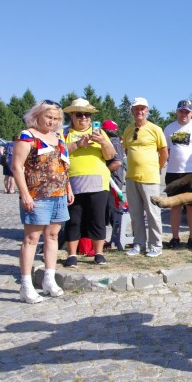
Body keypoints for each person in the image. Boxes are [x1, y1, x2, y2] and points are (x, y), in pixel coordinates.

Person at [13, 100, 74, 303]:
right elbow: (17, 167)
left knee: (53, 236)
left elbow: (63, 165)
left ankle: (49, 278)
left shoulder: (58, 137)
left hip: (59, 195)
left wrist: (68, 188)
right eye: (49, 117)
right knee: (31, 240)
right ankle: (26, 284)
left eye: (56, 118)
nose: (52, 121)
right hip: (36, 196)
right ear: (37, 115)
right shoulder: (27, 136)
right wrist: (25, 194)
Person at [62, 99, 117, 267]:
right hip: (74, 184)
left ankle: (98, 253)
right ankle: (72, 255)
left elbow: (110, 155)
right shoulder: (65, 133)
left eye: (87, 114)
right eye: (79, 114)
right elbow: (60, 152)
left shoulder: (99, 132)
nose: (84, 118)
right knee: (74, 220)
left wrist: (102, 141)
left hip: (98, 184)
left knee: (97, 219)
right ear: (72, 115)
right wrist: (78, 144)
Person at [122, 97, 168, 258]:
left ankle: (156, 245)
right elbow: (127, 151)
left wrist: (156, 168)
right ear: (132, 111)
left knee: (153, 213)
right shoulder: (128, 129)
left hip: (150, 177)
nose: (139, 111)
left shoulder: (155, 129)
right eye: (136, 109)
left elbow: (164, 152)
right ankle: (139, 243)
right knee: (135, 213)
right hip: (131, 177)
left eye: (142, 108)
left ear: (147, 110)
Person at [163, 99, 192, 250]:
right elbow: (165, 150)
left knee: (191, 206)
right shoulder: (169, 128)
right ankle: (175, 237)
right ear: (177, 111)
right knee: (175, 206)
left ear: (191, 113)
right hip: (173, 173)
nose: (184, 114)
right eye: (181, 111)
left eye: (187, 112)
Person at [101, 119, 125, 248]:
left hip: (113, 182)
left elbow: (118, 162)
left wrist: (102, 171)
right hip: (111, 181)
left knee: (114, 212)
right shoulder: (112, 142)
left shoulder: (114, 143)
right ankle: (112, 240)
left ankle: (117, 240)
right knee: (110, 212)